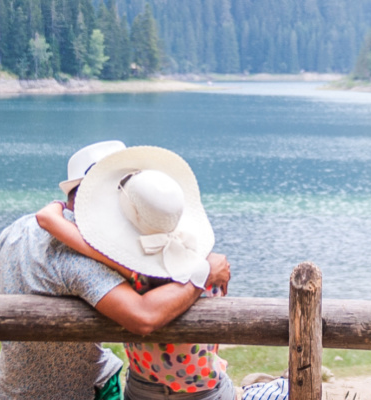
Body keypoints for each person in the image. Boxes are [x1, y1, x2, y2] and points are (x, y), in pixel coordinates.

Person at [0, 141, 231, 400]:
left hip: (10, 388)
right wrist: (201, 273)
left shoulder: (15, 231)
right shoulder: (84, 260)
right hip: (83, 391)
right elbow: (143, 317)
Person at [38, 146, 235, 399]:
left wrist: (57, 206)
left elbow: (48, 220)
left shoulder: (124, 265)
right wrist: (203, 270)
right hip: (204, 389)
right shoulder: (207, 263)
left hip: (143, 386)